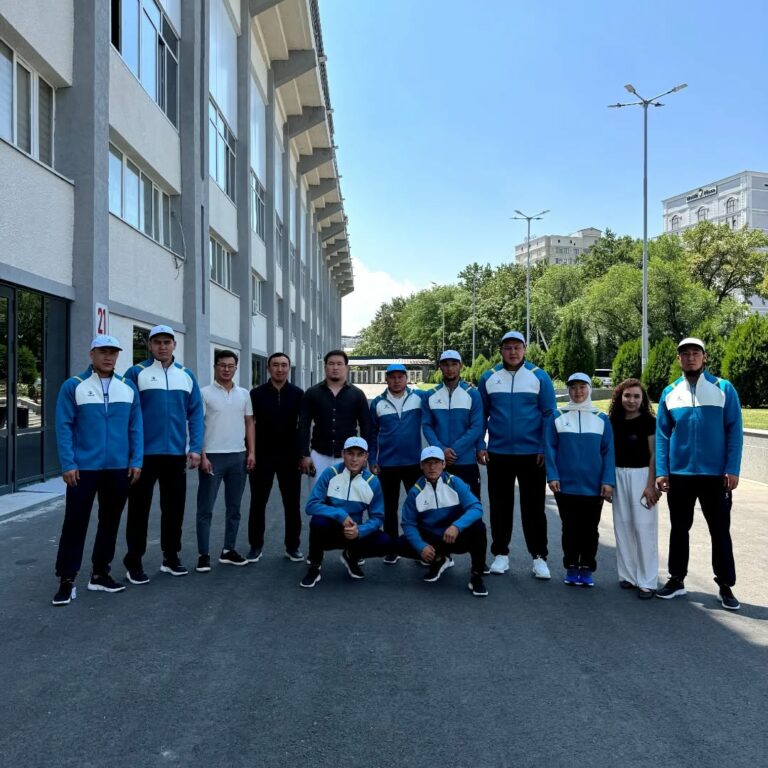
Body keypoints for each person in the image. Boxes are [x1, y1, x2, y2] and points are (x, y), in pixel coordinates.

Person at [52, 336, 143, 605]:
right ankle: (66, 580)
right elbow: (64, 426)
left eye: (113, 352)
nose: (108, 357)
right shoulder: (74, 386)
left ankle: (100, 573)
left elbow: (136, 427)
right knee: (75, 523)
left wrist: (136, 461)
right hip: (84, 469)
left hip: (118, 468)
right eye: (103, 351)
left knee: (110, 522)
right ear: (91, 354)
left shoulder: (127, 387)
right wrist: (68, 463)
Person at [655, 337, 743, 610]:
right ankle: (676, 579)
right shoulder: (670, 392)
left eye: (695, 353)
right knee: (679, 529)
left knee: (720, 530)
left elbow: (735, 431)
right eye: (685, 354)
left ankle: (725, 585)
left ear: (704, 357)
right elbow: (662, 436)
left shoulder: (723, 388)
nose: (690, 357)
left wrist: (732, 468)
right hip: (680, 474)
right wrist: (662, 471)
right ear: (678, 359)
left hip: (715, 476)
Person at [123, 325, 204, 582]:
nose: (162, 346)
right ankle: (134, 561)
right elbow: (127, 415)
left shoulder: (186, 375)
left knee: (174, 509)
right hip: (143, 456)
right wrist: (131, 453)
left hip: (175, 455)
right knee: (139, 510)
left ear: (174, 345)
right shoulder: (136, 373)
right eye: (157, 342)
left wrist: (195, 448)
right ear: (149, 345)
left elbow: (196, 415)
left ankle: (171, 557)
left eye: (167, 342)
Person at [478, 331, 557, 579]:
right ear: (501, 350)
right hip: (498, 453)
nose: (513, 352)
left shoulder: (539, 376)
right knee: (500, 506)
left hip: (532, 454)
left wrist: (543, 448)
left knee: (534, 508)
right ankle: (500, 554)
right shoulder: (489, 377)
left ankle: (539, 557)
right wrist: (480, 444)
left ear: (525, 349)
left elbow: (549, 414)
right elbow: (481, 414)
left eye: (517, 347)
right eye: (508, 347)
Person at [544, 372, 615, 587]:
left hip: (593, 486)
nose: (578, 392)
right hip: (565, 485)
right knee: (569, 528)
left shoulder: (601, 418)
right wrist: (552, 475)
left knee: (590, 530)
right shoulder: (557, 416)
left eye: (582, 387)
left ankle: (586, 567)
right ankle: (571, 566)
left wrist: (608, 480)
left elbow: (608, 452)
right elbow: (550, 448)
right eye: (573, 387)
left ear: (589, 389)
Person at [299, 437, 391, 588]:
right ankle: (314, 567)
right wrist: (340, 515)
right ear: (343, 454)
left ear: (366, 457)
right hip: (331, 531)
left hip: (354, 532)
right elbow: (311, 505)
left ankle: (351, 555)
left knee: (385, 543)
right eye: (350, 453)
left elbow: (378, 517)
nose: (354, 459)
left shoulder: (372, 482)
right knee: (317, 521)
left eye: (359, 455)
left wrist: (360, 531)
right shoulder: (330, 473)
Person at [398, 447, 489, 597]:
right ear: (421, 465)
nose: (432, 467)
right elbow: (408, 523)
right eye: (428, 463)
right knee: (399, 544)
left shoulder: (455, 483)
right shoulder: (415, 491)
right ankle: (438, 559)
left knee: (479, 528)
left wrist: (457, 526)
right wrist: (421, 546)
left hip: (454, 536)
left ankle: (476, 576)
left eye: (436, 462)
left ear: (444, 464)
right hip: (433, 538)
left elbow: (476, 507)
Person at [195, 350, 255, 573]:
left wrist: (251, 452)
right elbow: (197, 425)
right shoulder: (204, 393)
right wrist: (202, 455)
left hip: (238, 456)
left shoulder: (244, 394)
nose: (226, 369)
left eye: (230, 366)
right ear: (215, 367)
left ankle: (228, 550)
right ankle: (203, 555)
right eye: (222, 365)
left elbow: (249, 423)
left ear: (236, 368)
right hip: (212, 457)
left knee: (234, 508)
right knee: (205, 508)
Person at [248, 352, 304, 563]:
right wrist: (251, 452)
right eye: (275, 365)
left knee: (292, 504)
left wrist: (302, 455)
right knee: (257, 503)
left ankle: (292, 546)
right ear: (268, 368)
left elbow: (303, 427)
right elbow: (249, 425)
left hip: (290, 457)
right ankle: (255, 545)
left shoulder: (298, 394)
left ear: (288, 368)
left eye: (284, 365)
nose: (280, 369)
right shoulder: (256, 394)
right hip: (262, 456)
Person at [608, 379, 660, 599]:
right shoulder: (612, 421)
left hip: (642, 476)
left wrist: (650, 485)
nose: (631, 400)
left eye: (636, 396)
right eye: (627, 395)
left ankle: (647, 581)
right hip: (618, 475)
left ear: (643, 399)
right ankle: (628, 575)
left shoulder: (649, 422)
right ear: (619, 397)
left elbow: (654, 454)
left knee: (644, 528)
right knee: (622, 526)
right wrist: (608, 482)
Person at [369, 364, 425, 564]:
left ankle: (420, 548)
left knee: (418, 506)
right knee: (389, 508)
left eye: (400, 376)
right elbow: (372, 434)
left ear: (406, 378)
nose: (396, 380)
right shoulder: (377, 403)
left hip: (414, 464)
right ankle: (392, 548)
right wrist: (372, 459)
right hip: (387, 465)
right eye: (392, 377)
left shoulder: (419, 398)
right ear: (386, 379)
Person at [298, 350, 370, 487]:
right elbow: (303, 425)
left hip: (348, 456)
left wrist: (364, 455)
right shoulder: (312, 393)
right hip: (319, 455)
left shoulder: (357, 394)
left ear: (346, 367)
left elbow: (366, 426)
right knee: (318, 496)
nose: (335, 367)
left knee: (347, 496)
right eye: (331, 364)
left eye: (339, 364)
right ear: (325, 367)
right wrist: (305, 454)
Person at [422, 350, 484, 499]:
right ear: (440, 367)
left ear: (461, 366)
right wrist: (442, 450)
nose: (450, 368)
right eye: (445, 364)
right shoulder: (430, 395)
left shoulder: (473, 394)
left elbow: (476, 426)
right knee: (441, 507)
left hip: (466, 461)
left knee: (470, 505)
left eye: (454, 364)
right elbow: (427, 426)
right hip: (439, 462)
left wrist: (454, 451)